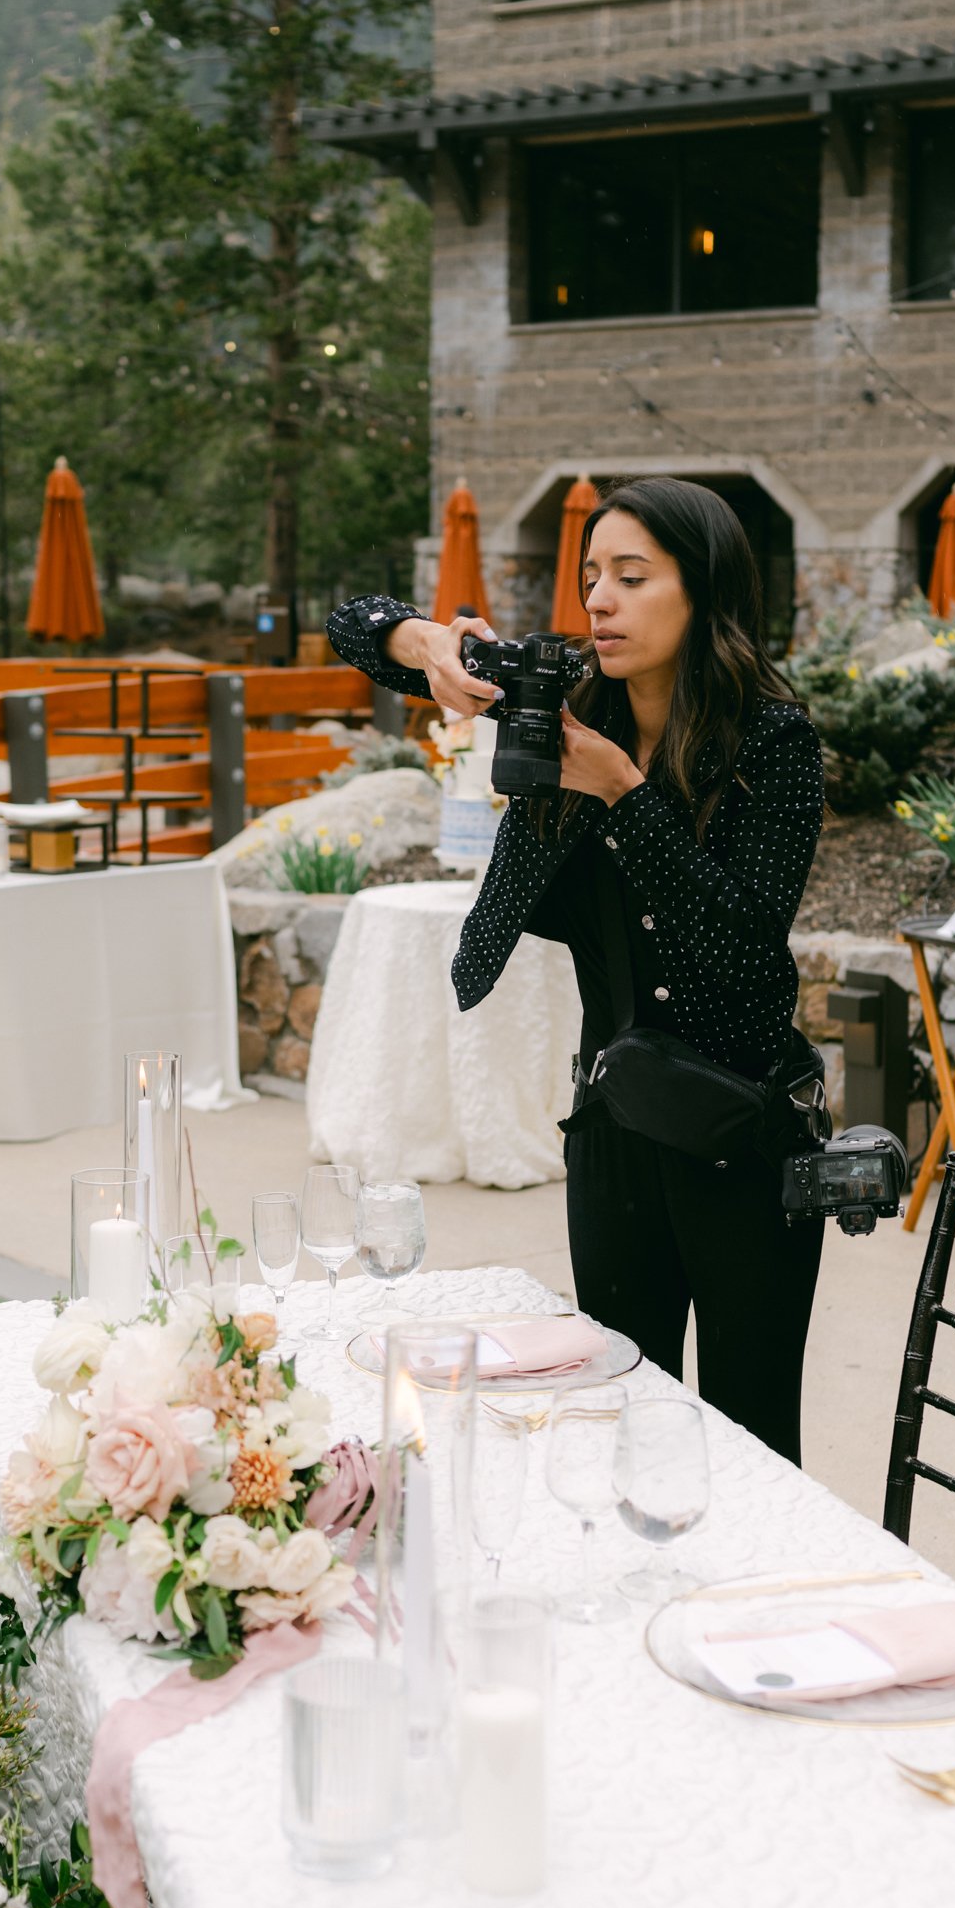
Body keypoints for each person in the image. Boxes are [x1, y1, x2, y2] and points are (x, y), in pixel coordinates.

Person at [325, 476, 825, 1462]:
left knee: (750, 1442)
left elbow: (740, 946)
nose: (598, 599)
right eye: (592, 574)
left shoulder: (774, 742)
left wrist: (625, 791)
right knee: (618, 1419)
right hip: (612, 1130)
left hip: (747, 1137)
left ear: (705, 589)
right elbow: (354, 625)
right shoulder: (559, 688)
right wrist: (425, 643)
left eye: (631, 577)